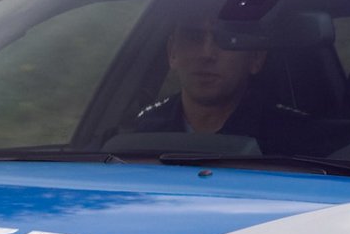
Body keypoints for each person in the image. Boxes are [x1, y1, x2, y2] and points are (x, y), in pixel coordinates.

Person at [130, 15, 318, 151]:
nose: (206, 54)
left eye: (227, 40)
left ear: (256, 58)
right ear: (172, 52)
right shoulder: (141, 132)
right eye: (194, 37)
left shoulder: (294, 138)